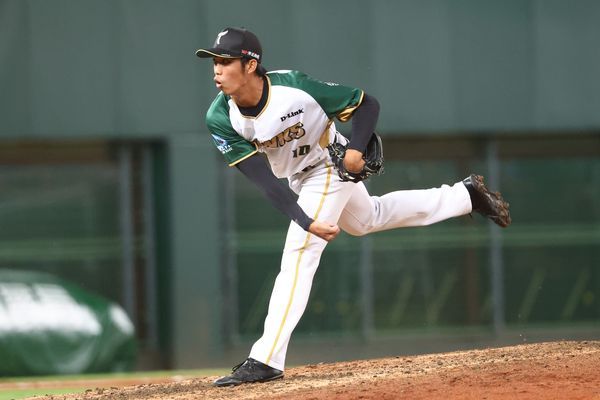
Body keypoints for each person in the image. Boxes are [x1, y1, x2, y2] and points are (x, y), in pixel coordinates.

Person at [196, 27, 511, 387]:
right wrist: (305, 219)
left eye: (225, 62)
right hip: (297, 178)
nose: (216, 70)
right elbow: (264, 181)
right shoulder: (220, 117)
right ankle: (465, 196)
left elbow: (366, 103)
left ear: (250, 65)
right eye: (214, 62)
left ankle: (266, 358)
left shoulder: (294, 88)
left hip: (328, 164)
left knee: (300, 252)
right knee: (367, 218)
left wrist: (356, 150)